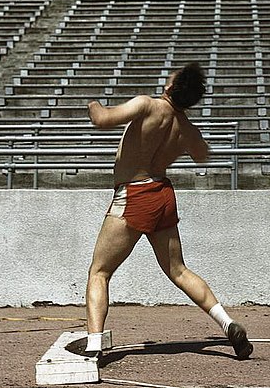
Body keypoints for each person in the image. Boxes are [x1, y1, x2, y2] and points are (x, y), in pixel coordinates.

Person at [84, 62, 253, 361]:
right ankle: (228, 324)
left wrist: (91, 101)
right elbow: (202, 155)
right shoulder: (186, 128)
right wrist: (183, 135)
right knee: (178, 270)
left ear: (171, 86)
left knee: (100, 272)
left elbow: (102, 119)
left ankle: (94, 346)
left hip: (134, 193)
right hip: (162, 193)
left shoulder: (147, 105)